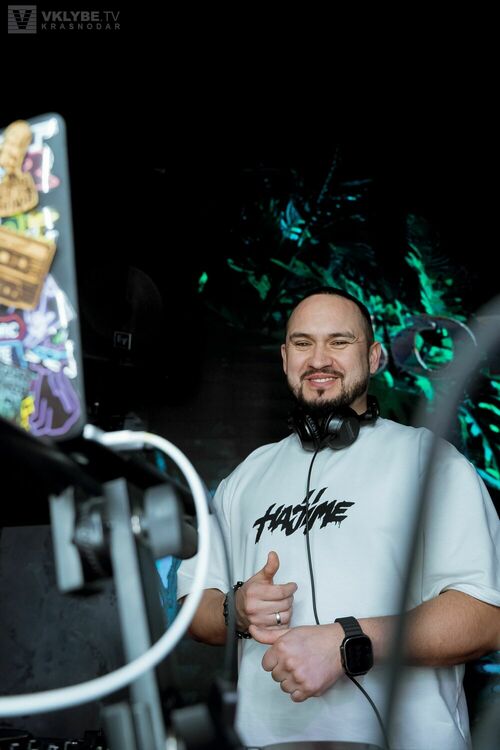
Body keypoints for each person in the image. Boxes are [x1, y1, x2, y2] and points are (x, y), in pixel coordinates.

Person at [177, 287, 500, 750]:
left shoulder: (431, 463)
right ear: (285, 358)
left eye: (339, 341)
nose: (318, 359)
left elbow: (486, 617)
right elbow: (194, 608)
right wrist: (238, 609)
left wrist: (348, 641)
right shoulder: (244, 477)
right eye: (303, 343)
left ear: (373, 357)